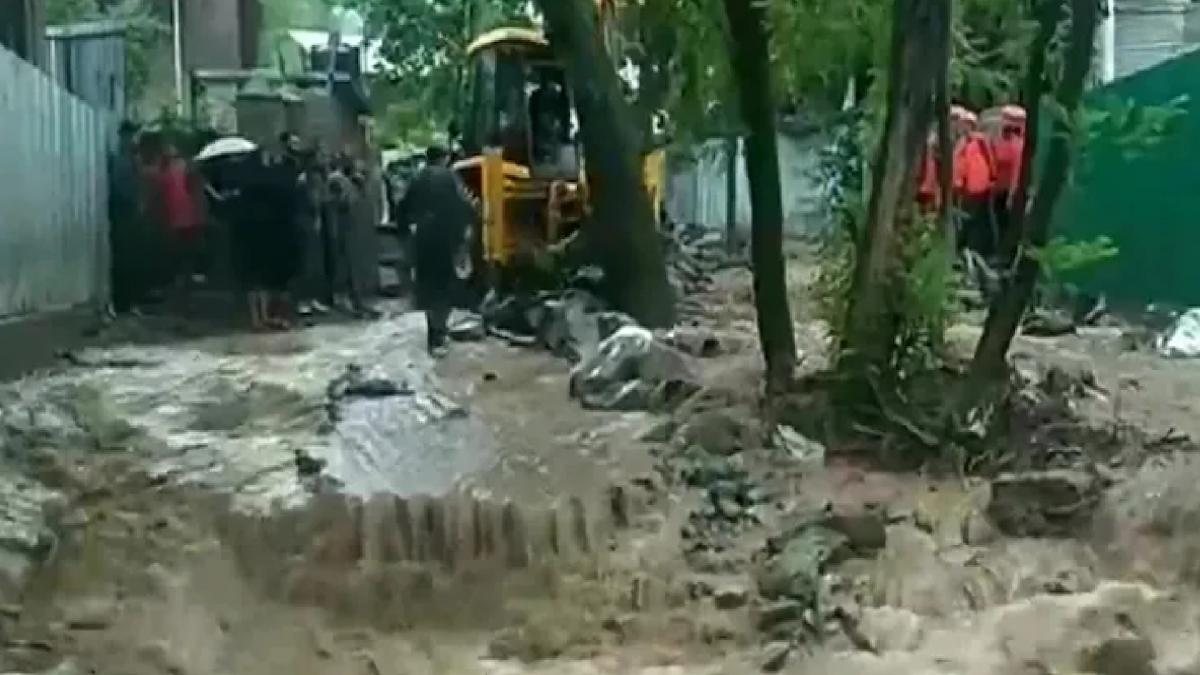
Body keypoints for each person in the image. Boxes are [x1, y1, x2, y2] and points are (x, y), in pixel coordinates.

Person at [396, 145, 476, 355]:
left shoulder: (416, 179)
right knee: (445, 286)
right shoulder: (451, 179)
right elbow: (465, 206)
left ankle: (433, 332)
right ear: (444, 158)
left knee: (428, 286)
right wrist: (465, 233)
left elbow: (402, 208)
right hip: (445, 237)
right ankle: (439, 334)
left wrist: (405, 231)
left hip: (423, 238)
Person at [151, 141, 204, 300]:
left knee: (180, 252)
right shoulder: (178, 169)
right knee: (183, 253)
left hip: (179, 216)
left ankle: (182, 282)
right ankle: (183, 281)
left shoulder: (169, 170)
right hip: (181, 216)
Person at [951, 105, 996, 257]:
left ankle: (963, 248)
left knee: (968, 219)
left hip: (971, 188)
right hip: (967, 187)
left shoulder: (973, 143)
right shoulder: (966, 143)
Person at [991, 104, 1027, 260]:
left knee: (1007, 226)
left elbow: (1016, 170)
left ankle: (1006, 257)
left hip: (1009, 192)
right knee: (1000, 225)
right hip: (1000, 190)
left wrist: (1012, 193)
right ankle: (1003, 255)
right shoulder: (1004, 141)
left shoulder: (1017, 144)